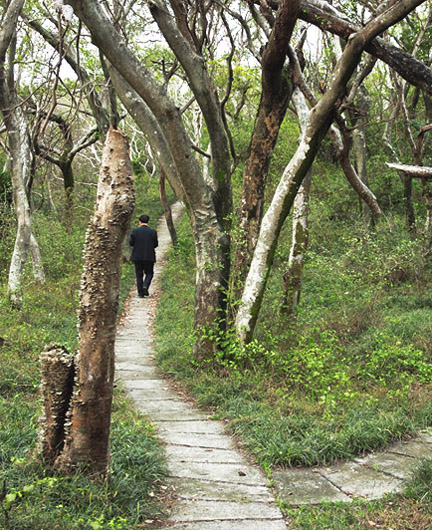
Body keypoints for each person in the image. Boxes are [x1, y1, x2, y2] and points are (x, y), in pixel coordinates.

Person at [129, 214, 158, 297]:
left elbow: (131, 243)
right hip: (149, 256)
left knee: (139, 275)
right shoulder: (153, 232)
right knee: (149, 273)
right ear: (148, 222)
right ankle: (145, 285)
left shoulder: (135, 231)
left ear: (139, 222)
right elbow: (155, 244)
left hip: (137, 256)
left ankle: (140, 293)